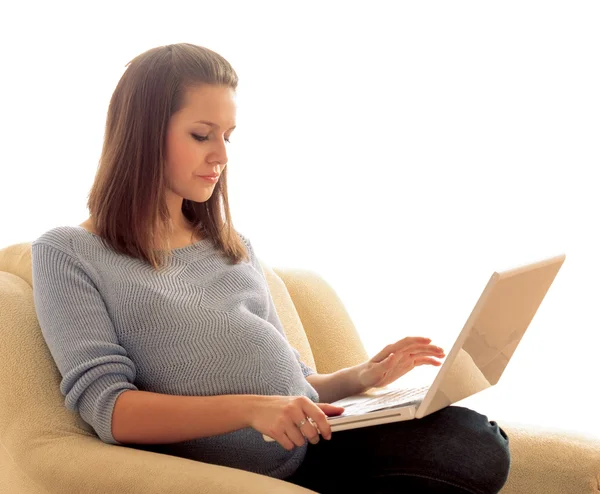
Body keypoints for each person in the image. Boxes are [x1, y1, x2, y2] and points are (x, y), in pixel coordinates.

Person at [31, 43, 510, 493]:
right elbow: (109, 409)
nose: (221, 156)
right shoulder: (70, 252)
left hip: (316, 436)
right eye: (201, 135)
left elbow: (297, 381)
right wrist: (251, 412)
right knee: (469, 450)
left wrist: (362, 377)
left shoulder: (230, 246)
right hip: (265, 464)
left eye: (227, 136)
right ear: (143, 133)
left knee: (476, 436)